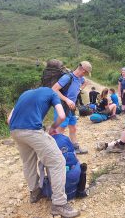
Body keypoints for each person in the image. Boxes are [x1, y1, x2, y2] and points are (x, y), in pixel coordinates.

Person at [7, 87, 80, 218]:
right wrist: (53, 127)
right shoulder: (52, 92)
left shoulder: (25, 93)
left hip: (14, 130)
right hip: (32, 130)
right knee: (58, 162)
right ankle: (59, 204)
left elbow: (9, 119)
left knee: (28, 162)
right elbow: (62, 115)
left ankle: (35, 193)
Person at [52, 61, 92, 154]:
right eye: (85, 73)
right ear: (82, 70)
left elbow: (85, 82)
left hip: (72, 107)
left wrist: (80, 89)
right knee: (60, 129)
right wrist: (67, 100)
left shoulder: (80, 79)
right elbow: (54, 89)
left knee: (73, 128)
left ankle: (75, 148)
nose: (85, 75)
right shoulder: (67, 78)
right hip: (62, 106)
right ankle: (55, 152)